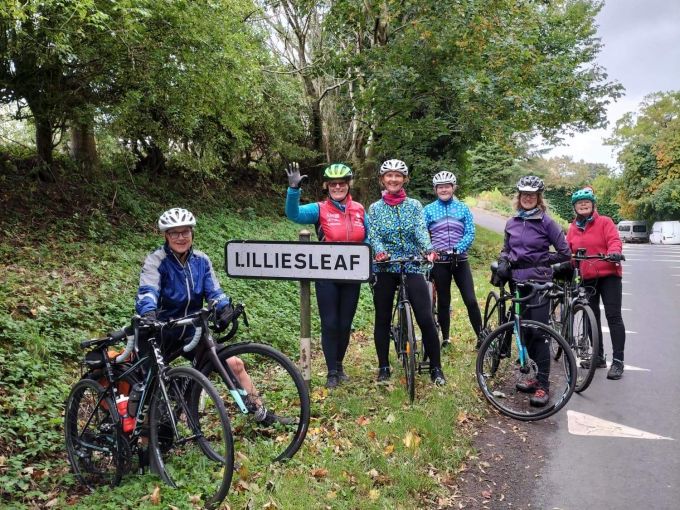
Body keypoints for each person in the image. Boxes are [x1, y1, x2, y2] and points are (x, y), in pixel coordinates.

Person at [135, 208, 260, 413]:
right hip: (160, 330)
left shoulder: (201, 260)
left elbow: (214, 291)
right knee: (150, 387)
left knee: (234, 365)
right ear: (166, 236)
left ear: (192, 233)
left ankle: (260, 413)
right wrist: (149, 313)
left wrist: (224, 308)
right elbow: (148, 290)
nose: (181, 237)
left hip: (191, 330)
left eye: (185, 232)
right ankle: (148, 430)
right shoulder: (156, 260)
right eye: (174, 233)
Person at [285, 162, 367, 389]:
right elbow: (293, 214)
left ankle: (339, 366)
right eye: (333, 184)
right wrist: (293, 190)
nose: (337, 187)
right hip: (326, 275)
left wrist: (370, 263)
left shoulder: (359, 209)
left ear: (348, 185)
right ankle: (331, 372)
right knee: (330, 323)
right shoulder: (319, 209)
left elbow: (367, 239)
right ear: (327, 186)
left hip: (352, 275)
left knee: (345, 323)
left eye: (341, 183)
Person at [367, 159, 446, 386]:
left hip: (411, 264)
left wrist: (428, 249)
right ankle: (384, 366)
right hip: (385, 266)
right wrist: (380, 252)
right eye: (389, 175)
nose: (393, 179)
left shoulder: (414, 206)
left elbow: (421, 230)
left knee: (425, 317)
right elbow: (374, 235)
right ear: (382, 180)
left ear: (404, 179)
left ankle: (436, 368)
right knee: (382, 318)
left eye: (398, 175)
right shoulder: (375, 208)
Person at [497, 176, 571, 406]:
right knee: (524, 332)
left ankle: (544, 386)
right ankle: (536, 377)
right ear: (519, 197)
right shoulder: (512, 222)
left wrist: (540, 261)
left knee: (539, 333)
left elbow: (564, 252)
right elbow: (506, 248)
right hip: (517, 282)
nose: (527, 198)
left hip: (539, 282)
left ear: (538, 198)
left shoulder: (547, 223)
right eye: (524, 194)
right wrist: (504, 260)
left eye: (532, 195)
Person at [566, 187, 626, 380]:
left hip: (609, 275)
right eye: (579, 203)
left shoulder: (605, 222)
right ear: (575, 207)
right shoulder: (573, 228)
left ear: (593, 205)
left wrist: (614, 252)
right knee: (591, 316)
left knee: (613, 316)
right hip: (587, 277)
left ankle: (618, 361)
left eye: (587, 202)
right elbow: (567, 251)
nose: (583, 205)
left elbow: (614, 240)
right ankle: (598, 357)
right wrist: (563, 261)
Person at [423, 171, 483, 349]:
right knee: (444, 301)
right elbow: (423, 234)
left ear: (453, 188)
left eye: (447, 186)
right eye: (440, 187)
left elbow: (470, 232)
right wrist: (429, 250)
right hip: (440, 262)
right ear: (435, 189)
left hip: (460, 261)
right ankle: (446, 338)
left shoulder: (463, 208)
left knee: (471, 300)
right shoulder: (428, 210)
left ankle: (481, 337)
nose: (444, 190)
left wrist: (458, 248)